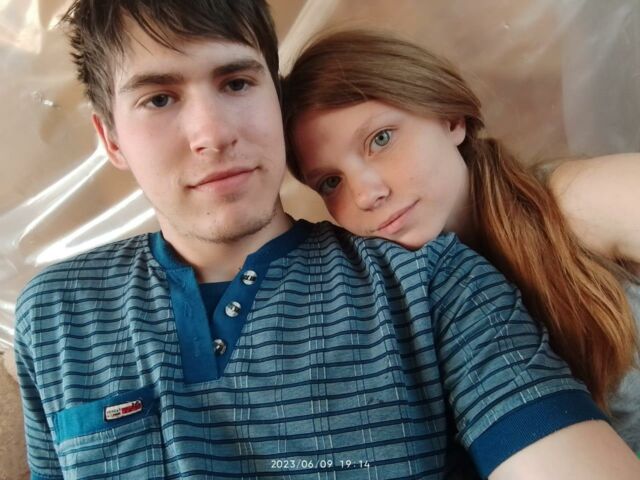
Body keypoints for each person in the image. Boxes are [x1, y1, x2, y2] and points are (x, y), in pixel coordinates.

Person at [14, 3, 640, 480]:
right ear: (112, 139)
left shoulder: (431, 281)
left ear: (273, 95)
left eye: (236, 83)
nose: (212, 133)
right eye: (158, 98)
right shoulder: (54, 313)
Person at [282, 30, 640, 451]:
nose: (365, 194)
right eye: (330, 182)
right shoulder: (397, 315)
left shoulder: (579, 201)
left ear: (451, 119)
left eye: (381, 139)